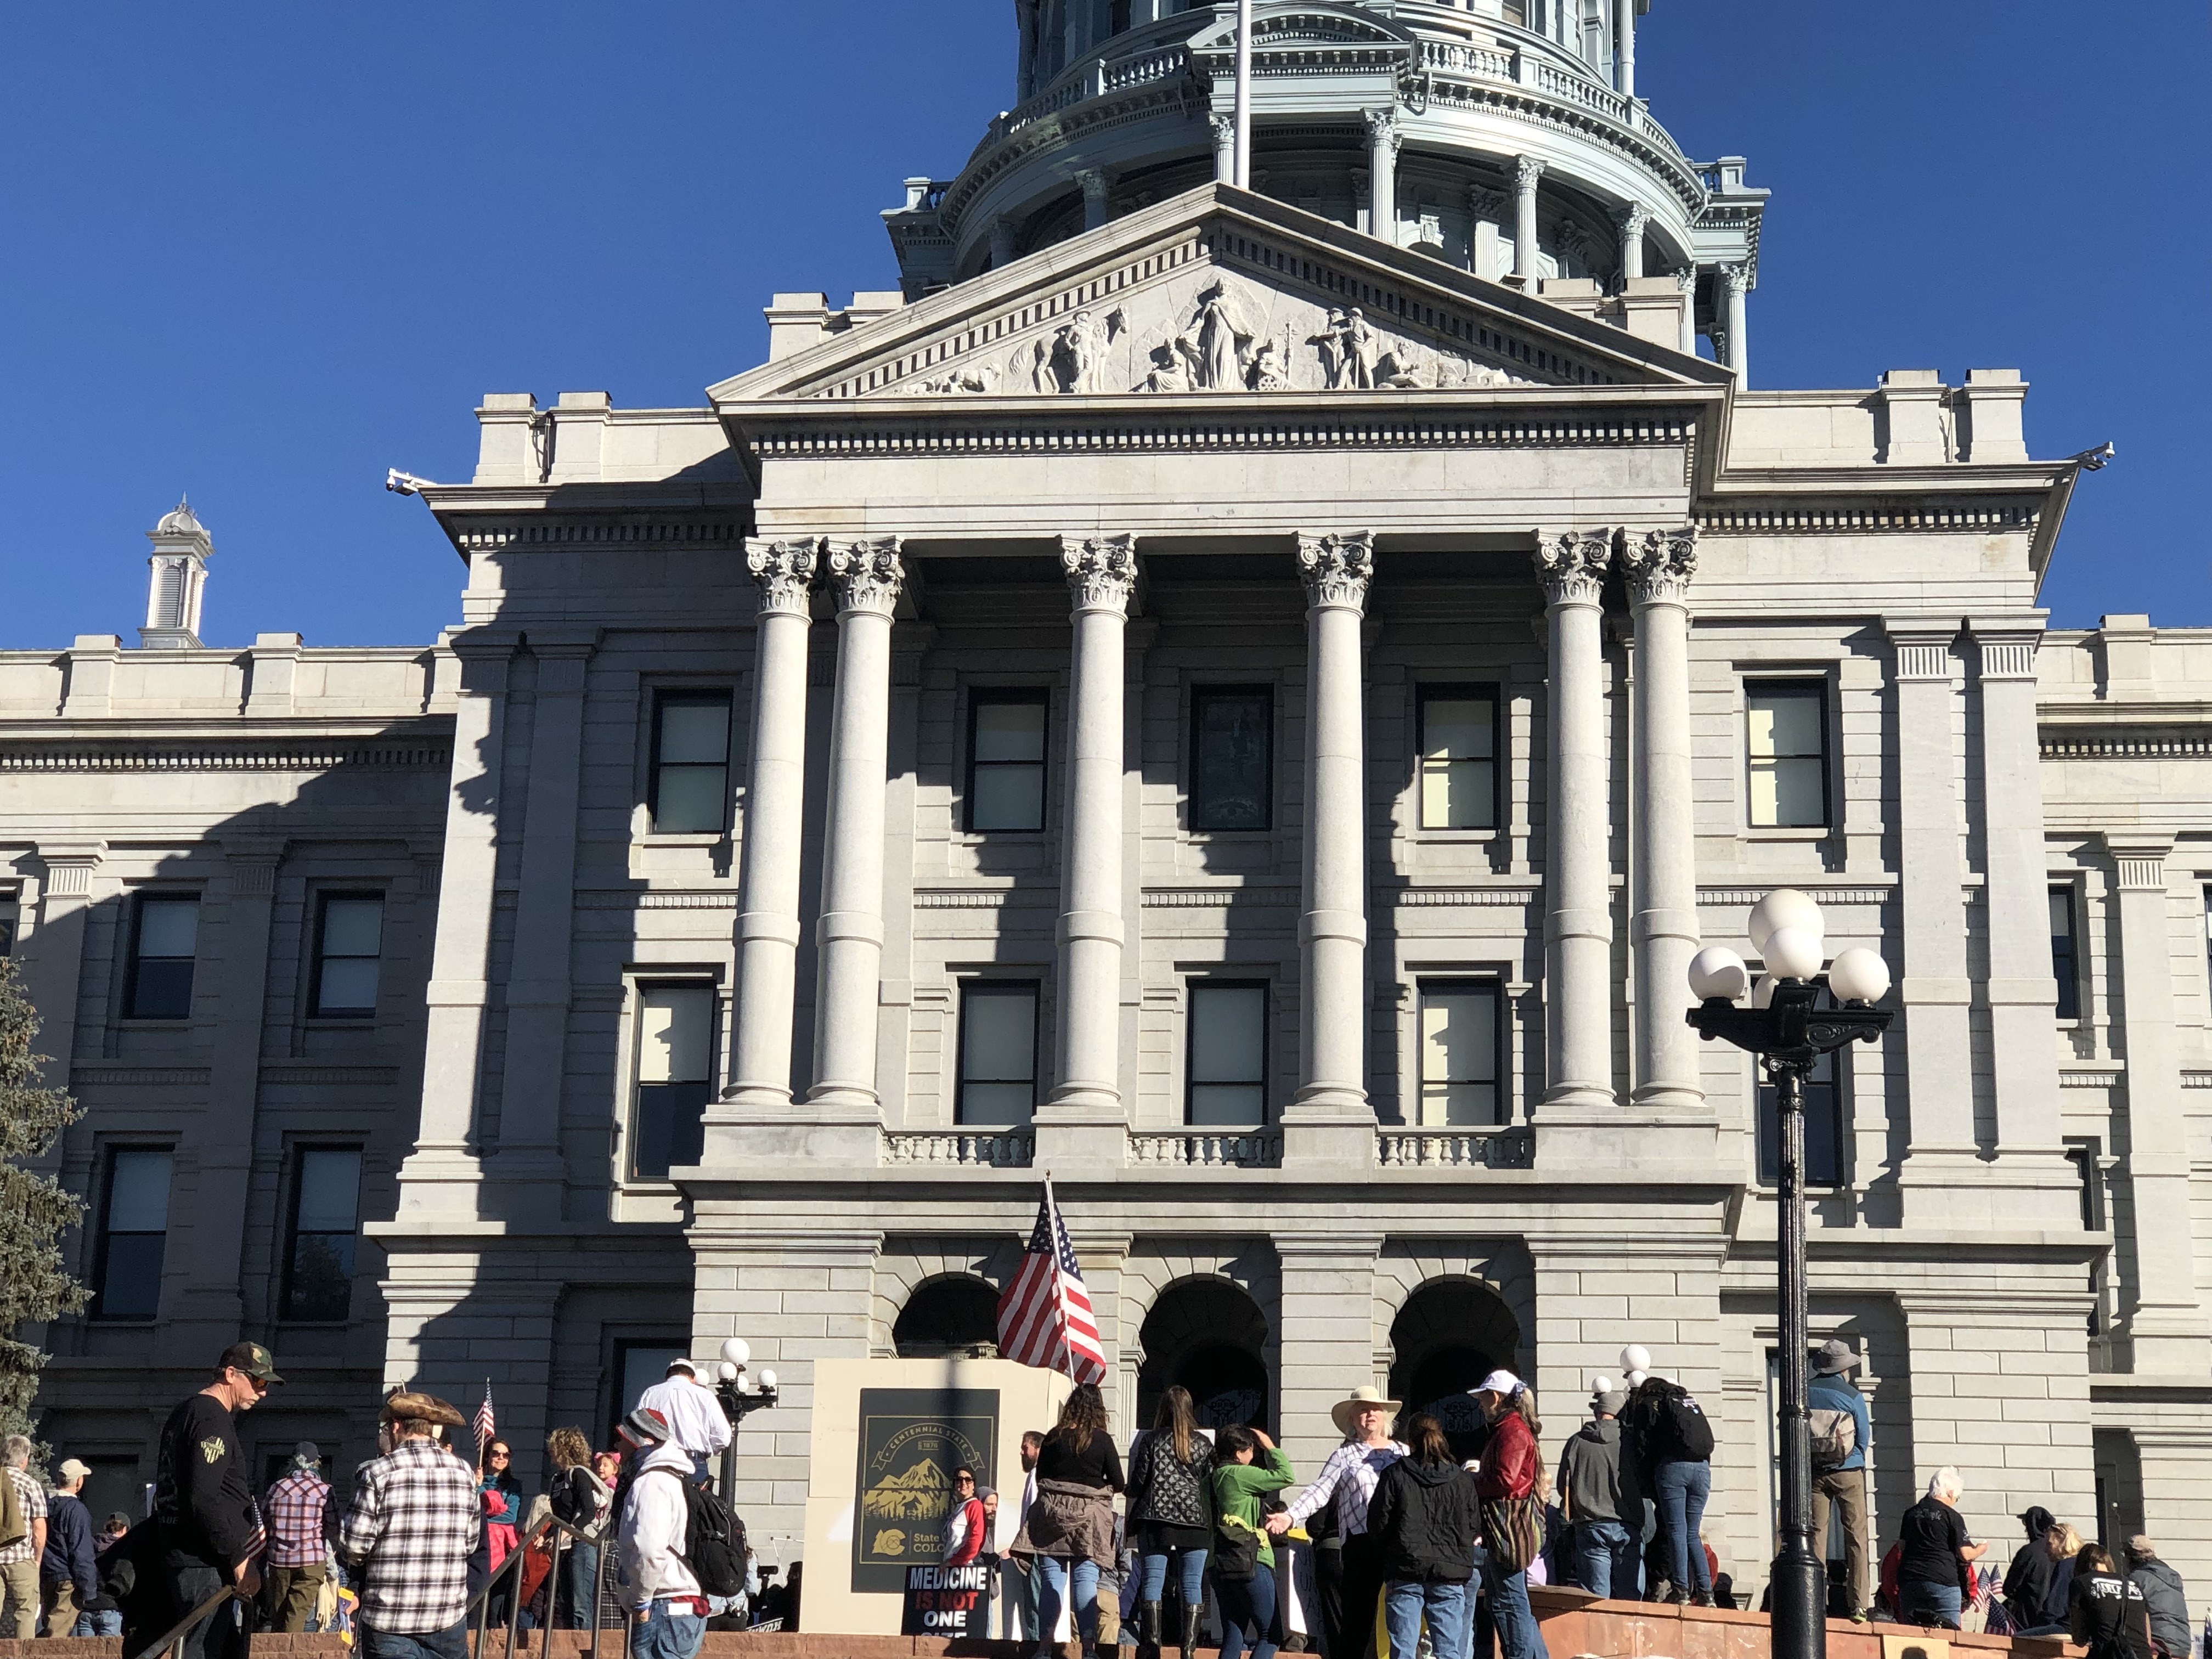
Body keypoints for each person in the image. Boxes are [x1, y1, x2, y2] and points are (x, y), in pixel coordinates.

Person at [152, 1342, 277, 1659]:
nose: (263, 1393)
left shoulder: (187, 1412)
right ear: (231, 1374)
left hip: (191, 1558)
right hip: (203, 1565)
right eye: (258, 1381)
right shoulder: (211, 1418)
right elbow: (203, 1498)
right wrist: (239, 1558)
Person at [338, 1390, 482, 1659]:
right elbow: (471, 1542)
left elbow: (354, 1547)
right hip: (446, 1616)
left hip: (390, 1619)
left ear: (396, 1425)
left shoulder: (379, 1473)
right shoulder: (464, 1472)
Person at [1270, 1384, 1405, 1659]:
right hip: (1360, 1544)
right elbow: (1319, 1490)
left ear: (1384, 1416)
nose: (1369, 1415)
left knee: (1402, 1617)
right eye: (1362, 1411)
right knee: (1357, 1623)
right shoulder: (1344, 1455)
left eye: (1374, 1410)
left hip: (1397, 1544)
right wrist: (1291, 1515)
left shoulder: (1402, 1452)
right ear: (1352, 1420)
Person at [1009, 1383, 1121, 1659]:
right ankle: (1088, 1649)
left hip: (1051, 1516)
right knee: (1085, 1580)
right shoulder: (1102, 1440)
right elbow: (1118, 1482)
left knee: (1051, 1581)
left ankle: (1045, 1646)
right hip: (1089, 1520)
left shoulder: (1052, 1438)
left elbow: (1040, 1478)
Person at [1368, 1410, 1477, 1659]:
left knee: (1403, 1650)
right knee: (1449, 1651)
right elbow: (1472, 1525)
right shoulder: (1461, 1480)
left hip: (1405, 1568)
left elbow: (1378, 1524)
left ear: (1410, 1442)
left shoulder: (1395, 1474)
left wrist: (1391, 1552)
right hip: (1450, 1572)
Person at [1126, 1385, 1215, 1659]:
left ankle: (1152, 1647)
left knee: (1153, 1582)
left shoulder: (1151, 1440)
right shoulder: (1203, 1443)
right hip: (1194, 1520)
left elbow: (1140, 1480)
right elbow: (1210, 1483)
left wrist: (1130, 1492)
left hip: (1155, 1519)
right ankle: (1188, 1650)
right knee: (1192, 1584)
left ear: (1163, 1409)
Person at [614, 1406, 708, 1659]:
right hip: (684, 1604)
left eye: (622, 1439)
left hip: (663, 1604)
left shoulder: (651, 1482)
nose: (617, 1446)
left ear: (640, 1443)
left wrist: (641, 1600)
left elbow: (649, 1549)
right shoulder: (676, 1478)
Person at [1472, 1372, 1550, 1659]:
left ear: (1495, 1397)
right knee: (1505, 1600)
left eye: (1482, 1398)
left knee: (1509, 1601)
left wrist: (1471, 1484)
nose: (1480, 1404)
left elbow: (1505, 1480)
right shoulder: (1512, 1429)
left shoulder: (1512, 1431)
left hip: (1507, 1528)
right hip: (1509, 1528)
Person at [1622, 1370, 1713, 1605]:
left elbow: (1643, 1444)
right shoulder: (1685, 1401)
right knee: (1693, 1533)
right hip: (1702, 1469)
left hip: (1673, 1469)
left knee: (1676, 1531)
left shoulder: (1650, 1403)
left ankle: (1681, 1590)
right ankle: (1706, 1592)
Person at [1210, 1425, 1294, 1659]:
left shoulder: (1211, 1478)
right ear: (1239, 1453)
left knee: (1233, 1633)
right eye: (1252, 1449)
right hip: (1250, 1561)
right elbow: (1286, 1476)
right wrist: (1270, 1446)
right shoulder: (1239, 1474)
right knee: (1271, 1634)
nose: (1254, 1454)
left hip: (1218, 1563)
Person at [1806, 1339, 1874, 1621]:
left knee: (1816, 1538)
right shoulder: (1852, 1395)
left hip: (1814, 1472)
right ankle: (1858, 1603)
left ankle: (1814, 1602)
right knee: (1856, 1537)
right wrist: (1851, 1458)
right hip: (1849, 1471)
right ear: (1844, 1368)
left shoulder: (1804, 1392)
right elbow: (1864, 1438)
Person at [1556, 1384, 1637, 1600]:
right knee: (1629, 1600)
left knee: (1595, 1599)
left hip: (1590, 1525)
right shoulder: (1631, 1441)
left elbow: (1561, 1485)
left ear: (1597, 1412)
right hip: (1628, 1526)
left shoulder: (1577, 1442)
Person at [1895, 1467, 1985, 1629]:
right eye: (1957, 1497)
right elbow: (1965, 1554)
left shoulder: (1910, 1514)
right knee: (1949, 1636)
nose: (1956, 1500)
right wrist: (1980, 1549)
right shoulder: (1952, 1516)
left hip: (1910, 1581)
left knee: (1913, 1635)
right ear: (1950, 1493)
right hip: (1943, 1583)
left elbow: (1902, 1547)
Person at [263, 1443, 332, 1633]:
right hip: (311, 1560)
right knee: (296, 1615)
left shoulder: (276, 1488)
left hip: (279, 1561)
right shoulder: (324, 1490)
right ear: (315, 1463)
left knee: (279, 1615)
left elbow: (264, 1522)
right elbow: (334, 1525)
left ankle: (276, 1651)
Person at [545, 1427, 608, 1629]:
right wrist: (546, 1536)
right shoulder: (557, 1479)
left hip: (583, 1543)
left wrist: (565, 1533)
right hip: (564, 1545)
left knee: (581, 1604)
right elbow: (558, 1516)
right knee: (566, 1602)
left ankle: (585, 1643)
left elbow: (589, 1512)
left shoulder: (580, 1474)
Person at [635, 1361, 731, 1485]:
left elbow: (636, 1430)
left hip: (657, 1460)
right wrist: (705, 1451)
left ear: (668, 1376)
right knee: (694, 1504)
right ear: (693, 1378)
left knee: (657, 1503)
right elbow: (723, 1437)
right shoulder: (705, 1395)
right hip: (693, 1462)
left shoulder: (650, 1393)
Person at [40, 1456, 95, 1638]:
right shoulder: (76, 1510)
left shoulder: (44, 1505)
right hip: (67, 1580)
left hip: (46, 1575)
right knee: (56, 1636)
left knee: (49, 1626)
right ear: (78, 1482)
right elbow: (81, 1552)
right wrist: (88, 1588)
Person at [2070, 1541, 2154, 1659]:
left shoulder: (2081, 1582)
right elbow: (2147, 1635)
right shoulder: (2133, 1584)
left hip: (2110, 1654)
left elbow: (2080, 1639)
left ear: (2080, 1566)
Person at [1001, 1431, 1044, 1644]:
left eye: (1025, 1447)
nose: (1022, 1451)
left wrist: (1021, 1545)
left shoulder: (1038, 1476)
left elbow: (1034, 1515)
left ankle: (1037, 1643)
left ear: (1037, 1449)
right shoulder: (1034, 1476)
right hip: (1031, 1546)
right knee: (1031, 1599)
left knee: (1035, 1599)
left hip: (1034, 1548)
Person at [2122, 1537, 2190, 1658]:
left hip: (2158, 1647)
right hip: (2183, 1646)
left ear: (2130, 1557)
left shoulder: (2136, 1578)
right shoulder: (2174, 1576)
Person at [2002, 1507, 2058, 1631]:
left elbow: (2009, 1588)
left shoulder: (2028, 1552)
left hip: (2028, 1618)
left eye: (2026, 1524)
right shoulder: (2061, 1550)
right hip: (2055, 1618)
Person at [77, 1514, 131, 1638]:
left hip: (87, 1608)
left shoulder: (90, 1546)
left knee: (85, 1654)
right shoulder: (123, 1551)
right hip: (110, 1609)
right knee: (109, 1653)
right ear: (124, 1530)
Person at [943, 1468, 988, 1565]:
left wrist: (956, 1561)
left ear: (974, 1485)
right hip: (951, 1568)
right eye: (959, 1480)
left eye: (968, 1480)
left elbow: (977, 1539)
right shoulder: (959, 1507)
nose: (963, 1483)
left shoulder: (975, 1506)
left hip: (965, 1569)